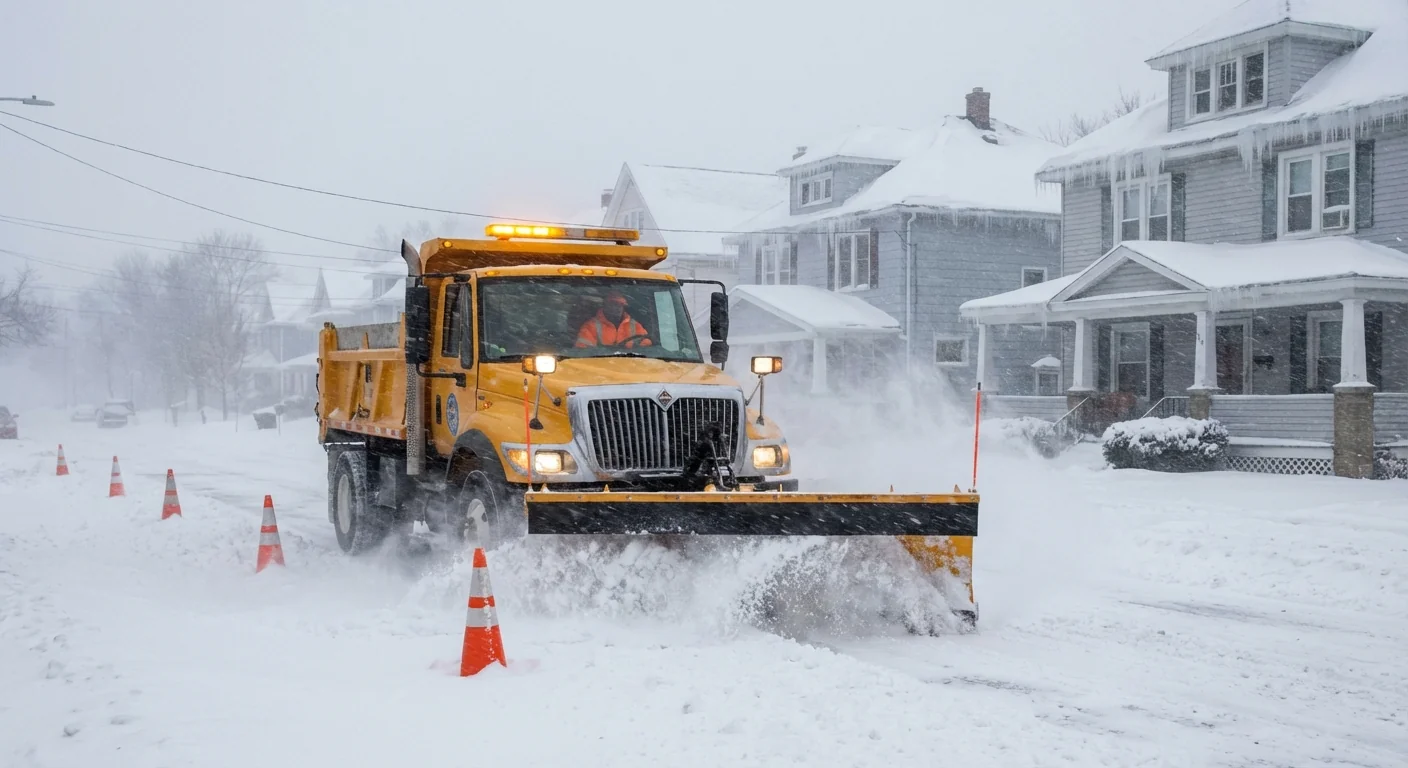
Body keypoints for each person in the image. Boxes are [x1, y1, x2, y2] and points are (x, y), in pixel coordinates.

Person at [575, 291, 652, 349]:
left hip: (630, 364)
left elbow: (646, 345)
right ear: (605, 306)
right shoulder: (590, 326)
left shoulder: (635, 325)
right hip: (600, 365)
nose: (617, 308)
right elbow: (583, 350)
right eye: (614, 305)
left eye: (620, 305)